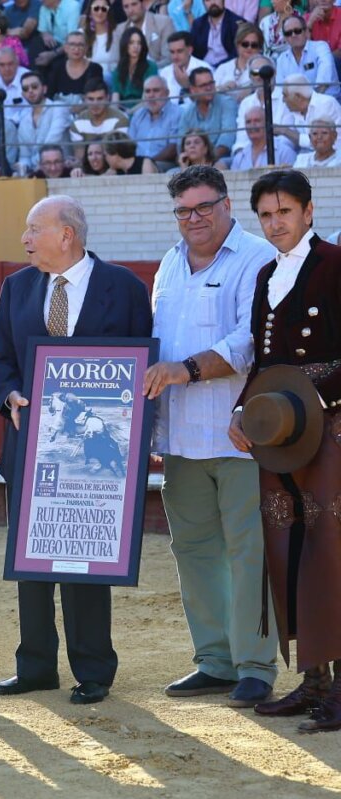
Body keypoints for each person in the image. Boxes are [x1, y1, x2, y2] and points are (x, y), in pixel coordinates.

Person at [0, 195, 151, 705]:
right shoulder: (16, 286)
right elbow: (3, 361)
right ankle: (35, 666)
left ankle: (94, 668)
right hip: (32, 441)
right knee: (31, 557)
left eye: (34, 229)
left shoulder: (122, 287)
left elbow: (141, 359)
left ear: (67, 235)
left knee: (87, 553)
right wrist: (10, 393)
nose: (25, 239)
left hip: (96, 448)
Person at [140, 165, 279, 709]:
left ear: (226, 205)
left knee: (250, 551)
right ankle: (215, 659)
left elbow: (249, 341)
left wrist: (186, 370)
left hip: (239, 432)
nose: (193, 218)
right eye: (183, 210)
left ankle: (255, 665)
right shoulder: (169, 265)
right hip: (180, 437)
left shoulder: (255, 257)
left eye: (204, 207)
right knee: (194, 549)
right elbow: (154, 345)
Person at [227, 170, 341, 730]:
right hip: (279, 431)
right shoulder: (267, 273)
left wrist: (309, 400)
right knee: (288, 544)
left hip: (330, 429)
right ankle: (314, 680)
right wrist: (243, 410)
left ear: (309, 211)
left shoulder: (337, 265)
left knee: (332, 548)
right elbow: (261, 359)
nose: (276, 224)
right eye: (267, 215)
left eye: (285, 212)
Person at [10, 72, 70, 175]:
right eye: (25, 89)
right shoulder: (24, 120)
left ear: (44, 89)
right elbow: (25, 156)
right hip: (37, 173)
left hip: (61, 170)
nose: (30, 91)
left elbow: (51, 143)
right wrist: (23, 166)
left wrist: (31, 163)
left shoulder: (59, 108)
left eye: (34, 87)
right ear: (23, 94)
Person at [180, 67, 236, 161]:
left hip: (221, 159)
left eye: (211, 83)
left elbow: (227, 138)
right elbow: (180, 142)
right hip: (194, 161)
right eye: (203, 85)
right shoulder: (188, 112)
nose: (209, 88)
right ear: (193, 90)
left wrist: (207, 160)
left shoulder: (227, 103)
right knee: (172, 173)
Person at [276, 13, 339, 96]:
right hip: (296, 106)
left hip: (326, 102)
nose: (293, 35)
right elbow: (281, 91)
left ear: (306, 32)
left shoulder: (321, 47)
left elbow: (323, 84)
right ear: (284, 37)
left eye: (297, 31)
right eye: (288, 33)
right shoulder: (281, 59)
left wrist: (305, 105)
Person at [229, 105, 296, 169]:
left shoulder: (284, 153)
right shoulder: (239, 157)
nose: (252, 125)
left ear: (267, 123)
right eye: (248, 122)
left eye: (257, 121)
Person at [114, 0, 175, 66]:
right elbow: (119, 60)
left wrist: (148, 70)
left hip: (158, 71)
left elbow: (168, 58)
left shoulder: (163, 23)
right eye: (126, 6)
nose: (130, 10)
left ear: (143, 4)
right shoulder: (120, 30)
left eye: (134, 4)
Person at [190, 0, 246, 67]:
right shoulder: (198, 23)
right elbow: (193, 51)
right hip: (202, 69)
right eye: (208, 0)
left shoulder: (236, 23)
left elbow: (237, 52)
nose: (213, 2)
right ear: (204, 3)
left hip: (228, 67)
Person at [110, 27, 158, 103]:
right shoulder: (118, 70)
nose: (135, 46)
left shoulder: (151, 67)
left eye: (139, 43)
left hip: (143, 109)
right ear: (125, 45)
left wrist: (131, 113)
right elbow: (115, 100)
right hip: (123, 111)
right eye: (131, 42)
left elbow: (146, 100)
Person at [163, 31, 213, 102]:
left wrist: (187, 86)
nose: (175, 57)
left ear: (190, 50)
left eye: (179, 51)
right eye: (172, 52)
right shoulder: (164, 73)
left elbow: (208, 102)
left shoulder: (205, 69)